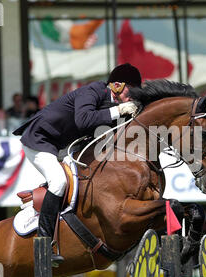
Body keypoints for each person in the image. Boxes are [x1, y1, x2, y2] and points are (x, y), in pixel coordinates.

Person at [12, 63, 142, 265]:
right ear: (117, 85)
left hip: (62, 146)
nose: (132, 97)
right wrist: (120, 110)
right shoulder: (92, 91)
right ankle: (44, 244)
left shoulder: (111, 103)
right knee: (59, 183)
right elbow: (83, 121)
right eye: (131, 91)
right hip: (40, 141)